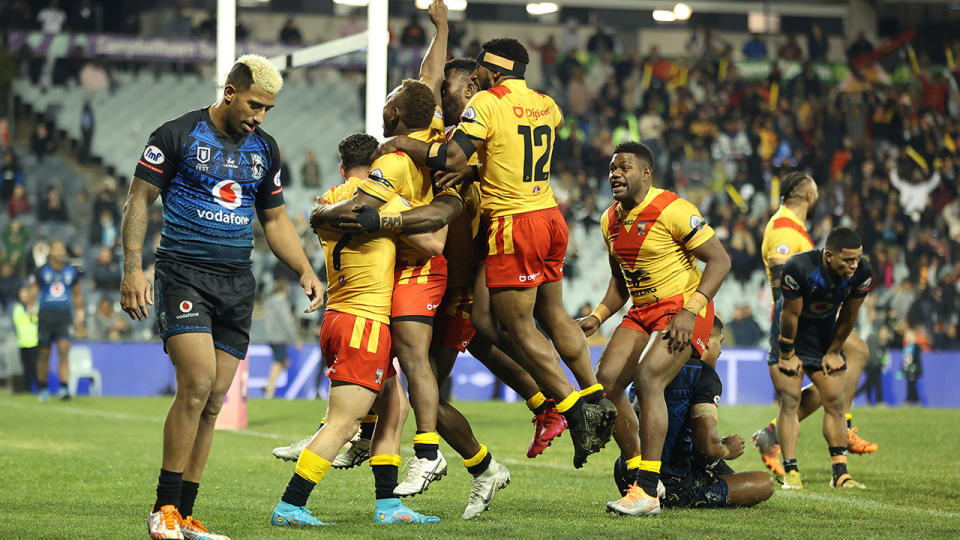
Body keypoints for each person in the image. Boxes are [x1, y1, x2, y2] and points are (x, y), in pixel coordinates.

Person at [362, 37, 617, 469]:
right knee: (546, 316)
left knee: (518, 328)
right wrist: (477, 168)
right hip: (551, 215)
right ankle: (593, 393)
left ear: (492, 70)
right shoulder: (547, 104)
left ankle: (575, 411)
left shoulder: (487, 104)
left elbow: (447, 156)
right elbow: (513, 155)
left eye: (479, 68)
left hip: (515, 223)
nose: (474, 74)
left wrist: (404, 145)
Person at [120, 54, 325, 540]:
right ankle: (162, 510)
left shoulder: (264, 149)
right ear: (230, 91)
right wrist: (132, 268)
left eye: (268, 109)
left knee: (213, 401)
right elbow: (138, 200)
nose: (259, 116)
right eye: (254, 104)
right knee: (196, 385)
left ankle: (185, 515)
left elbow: (273, 219)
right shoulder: (177, 135)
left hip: (236, 283)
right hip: (183, 275)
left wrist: (303, 268)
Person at [312, 2, 456, 495]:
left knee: (411, 358)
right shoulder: (431, 128)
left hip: (418, 260)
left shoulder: (393, 158)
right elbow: (429, 78)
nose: (386, 102)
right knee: (387, 364)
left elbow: (359, 210)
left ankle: (428, 451)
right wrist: (441, 29)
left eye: (389, 100)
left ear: (393, 113)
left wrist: (321, 216)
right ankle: (362, 434)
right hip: (401, 260)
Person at [269, 132, 442, 528]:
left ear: (342, 167)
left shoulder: (329, 197)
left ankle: (389, 504)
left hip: (338, 316)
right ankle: (291, 505)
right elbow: (432, 243)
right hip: (365, 321)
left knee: (394, 407)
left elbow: (325, 219)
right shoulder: (384, 195)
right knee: (344, 423)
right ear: (383, 164)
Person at [579, 141, 730, 516]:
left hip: (683, 308)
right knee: (606, 383)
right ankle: (640, 472)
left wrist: (691, 310)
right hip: (643, 309)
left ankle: (646, 491)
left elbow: (720, 260)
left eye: (624, 167)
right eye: (612, 167)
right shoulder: (608, 220)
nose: (615, 173)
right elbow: (620, 282)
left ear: (646, 173)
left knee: (648, 380)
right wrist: (598, 316)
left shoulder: (673, 209)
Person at [752, 172, 877, 480]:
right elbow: (784, 289)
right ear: (808, 195)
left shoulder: (795, 229)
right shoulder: (783, 230)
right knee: (856, 352)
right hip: (801, 318)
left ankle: (775, 433)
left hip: (816, 312)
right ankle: (841, 427)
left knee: (839, 372)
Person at [613, 319, 775, 509]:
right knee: (765, 483)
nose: (720, 350)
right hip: (671, 485)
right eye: (719, 342)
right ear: (705, 342)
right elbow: (706, 445)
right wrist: (726, 450)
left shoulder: (647, 364)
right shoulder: (702, 374)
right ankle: (675, 494)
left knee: (715, 465)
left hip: (627, 475)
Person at [769, 227, 872, 490]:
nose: (853, 265)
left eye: (857, 259)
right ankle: (791, 473)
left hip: (822, 330)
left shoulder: (862, 272)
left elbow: (849, 315)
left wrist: (835, 350)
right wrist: (787, 353)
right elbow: (790, 315)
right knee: (790, 399)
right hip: (789, 330)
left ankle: (840, 474)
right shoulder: (799, 267)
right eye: (847, 260)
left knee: (835, 399)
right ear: (828, 256)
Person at [33, 239, 83, 401]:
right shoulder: (42, 271)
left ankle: (64, 387)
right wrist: (30, 308)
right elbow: (33, 290)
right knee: (44, 354)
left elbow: (77, 293)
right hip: (46, 316)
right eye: (56, 249)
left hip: (64, 317)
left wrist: (80, 314)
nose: (60, 252)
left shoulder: (71, 272)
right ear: (50, 252)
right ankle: (42, 387)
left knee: (63, 351)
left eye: (62, 249)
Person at [263, 279, 297, 400]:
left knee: (284, 362)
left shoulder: (269, 301)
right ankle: (269, 389)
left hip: (270, 336)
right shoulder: (282, 303)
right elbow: (287, 322)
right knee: (278, 362)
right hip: (279, 337)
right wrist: (295, 339)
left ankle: (269, 385)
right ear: (285, 289)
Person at [13, 284, 39, 393]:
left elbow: (35, 321)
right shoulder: (17, 308)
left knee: (35, 368)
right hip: (22, 342)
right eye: (21, 293)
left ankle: (40, 388)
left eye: (25, 293)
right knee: (26, 368)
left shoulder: (34, 307)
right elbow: (16, 322)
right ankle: (27, 389)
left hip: (34, 342)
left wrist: (31, 312)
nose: (23, 296)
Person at [855, 325, 889, 406]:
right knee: (870, 384)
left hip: (874, 365)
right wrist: (875, 362)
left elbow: (882, 354)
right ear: (879, 331)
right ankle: (854, 395)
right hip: (872, 365)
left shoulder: (882, 341)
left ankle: (869, 401)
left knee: (872, 384)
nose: (885, 335)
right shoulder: (873, 338)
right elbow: (873, 354)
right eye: (884, 332)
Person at [901, 329, 923, 407]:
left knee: (912, 386)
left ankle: (909, 401)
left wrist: (915, 368)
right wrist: (902, 369)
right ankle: (915, 402)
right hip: (908, 370)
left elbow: (917, 360)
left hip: (914, 370)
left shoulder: (915, 348)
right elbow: (904, 360)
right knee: (910, 386)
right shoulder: (906, 348)